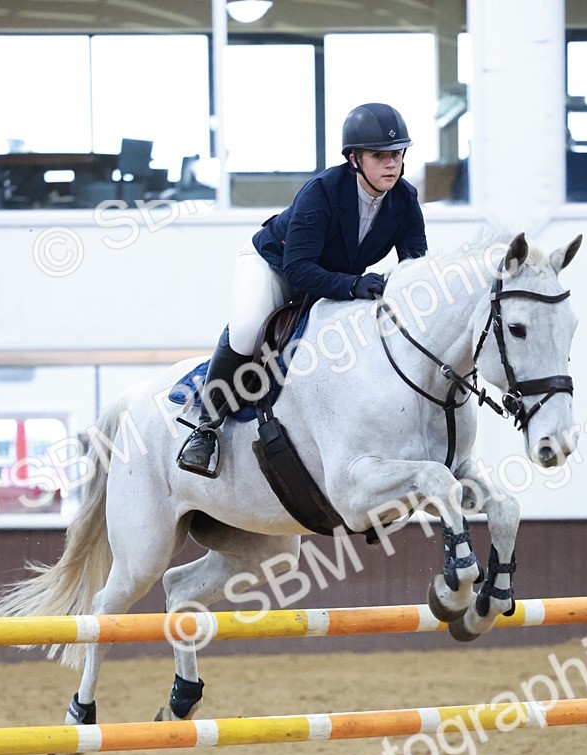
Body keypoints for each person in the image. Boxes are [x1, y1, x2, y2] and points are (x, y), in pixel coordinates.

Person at [179, 101, 428, 475]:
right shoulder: (322, 192)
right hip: (276, 266)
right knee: (248, 331)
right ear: (354, 159)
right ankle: (206, 427)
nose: (391, 164)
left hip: (327, 277)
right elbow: (298, 269)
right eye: (380, 156)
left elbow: (416, 266)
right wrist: (356, 284)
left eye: (397, 154)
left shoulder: (405, 201)